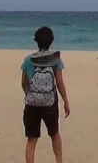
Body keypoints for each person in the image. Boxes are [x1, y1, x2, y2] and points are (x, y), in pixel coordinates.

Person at [21, 26, 70, 163]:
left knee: (31, 140)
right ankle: (59, 161)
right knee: (54, 134)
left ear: (36, 41)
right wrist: (66, 101)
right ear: (51, 41)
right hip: (50, 103)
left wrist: (31, 95)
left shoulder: (28, 60)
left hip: (31, 104)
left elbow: (23, 82)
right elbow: (59, 83)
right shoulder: (55, 59)